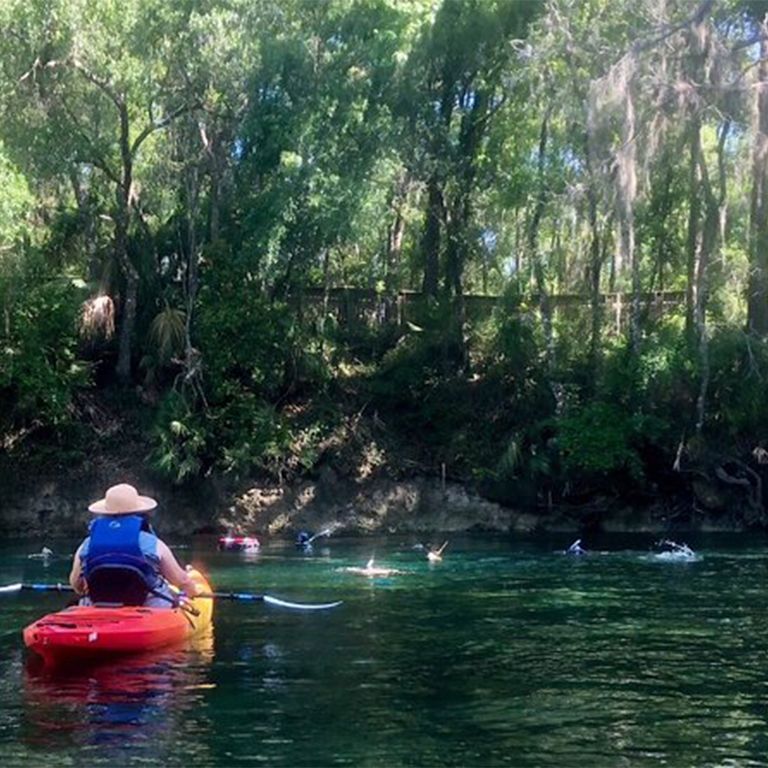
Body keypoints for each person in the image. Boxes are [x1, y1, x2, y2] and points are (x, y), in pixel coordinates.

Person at [69, 483, 200, 608]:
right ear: (138, 512)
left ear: (105, 513)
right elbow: (180, 580)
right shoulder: (153, 543)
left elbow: (76, 584)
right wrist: (192, 591)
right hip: (148, 609)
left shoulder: (87, 544)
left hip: (98, 606)